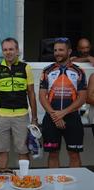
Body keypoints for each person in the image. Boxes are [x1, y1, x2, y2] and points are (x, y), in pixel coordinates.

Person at [0, 37, 38, 169]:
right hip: (2, 116)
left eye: (11, 49)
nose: (8, 52)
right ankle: (2, 180)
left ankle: (24, 182)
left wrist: (34, 118)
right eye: (5, 50)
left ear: (17, 51)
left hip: (22, 116)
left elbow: (31, 93)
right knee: (2, 151)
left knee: (23, 150)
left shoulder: (25, 68)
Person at [39, 37, 87, 168]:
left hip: (72, 118)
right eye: (55, 50)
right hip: (51, 119)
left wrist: (63, 113)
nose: (57, 53)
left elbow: (82, 98)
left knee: (74, 155)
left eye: (61, 50)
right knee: (53, 154)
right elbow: (42, 96)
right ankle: (55, 187)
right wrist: (55, 115)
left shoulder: (79, 71)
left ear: (69, 51)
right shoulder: (47, 71)